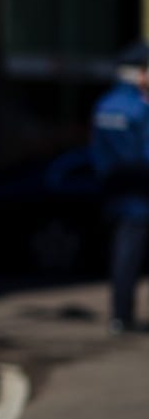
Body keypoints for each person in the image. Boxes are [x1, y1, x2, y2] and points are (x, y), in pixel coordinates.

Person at [91, 40, 149, 333]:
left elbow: (97, 155)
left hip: (113, 195)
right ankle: (123, 316)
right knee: (129, 256)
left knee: (120, 256)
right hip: (139, 197)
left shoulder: (104, 105)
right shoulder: (141, 108)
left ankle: (119, 314)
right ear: (140, 73)